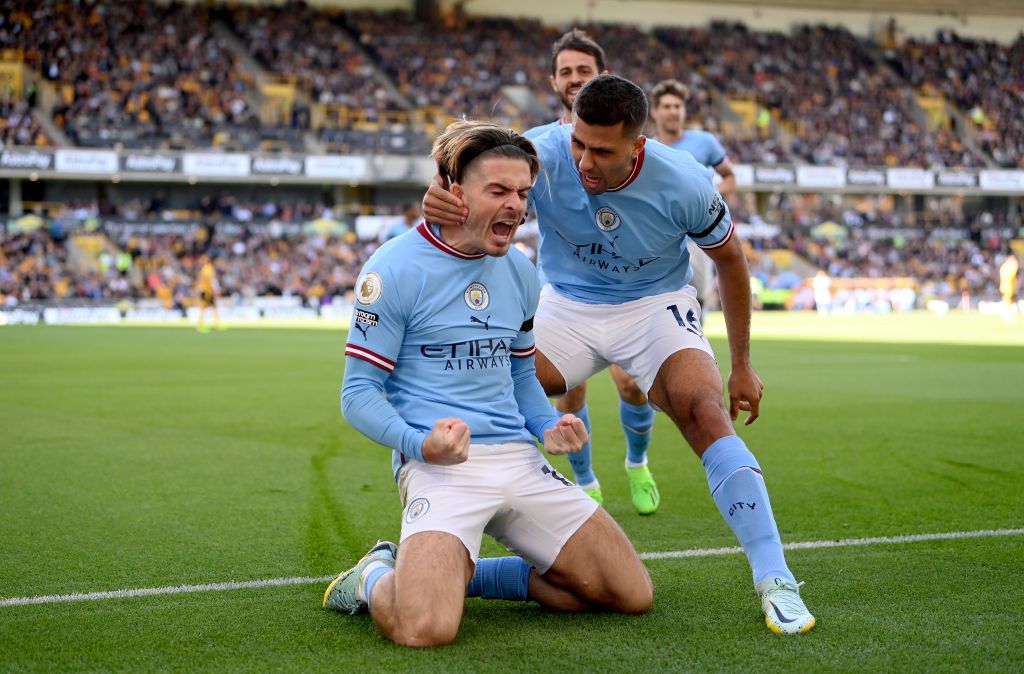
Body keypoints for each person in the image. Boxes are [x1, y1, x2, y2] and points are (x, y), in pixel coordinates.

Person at [424, 75, 816, 635]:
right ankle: (436, 552)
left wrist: (743, 365)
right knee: (486, 389)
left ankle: (775, 580)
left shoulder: (684, 180)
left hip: (654, 306)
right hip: (566, 304)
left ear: (638, 143)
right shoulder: (546, 151)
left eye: (601, 150)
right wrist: (440, 189)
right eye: (579, 142)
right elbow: (468, 160)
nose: (583, 160)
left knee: (704, 411)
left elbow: (731, 260)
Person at [325, 120, 653, 648]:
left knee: (627, 593)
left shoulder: (521, 273)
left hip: (519, 459)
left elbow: (521, 371)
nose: (515, 207)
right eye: (498, 191)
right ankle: (372, 576)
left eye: (522, 193)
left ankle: (463, 578)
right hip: (440, 465)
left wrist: (547, 424)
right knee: (424, 628)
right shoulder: (393, 268)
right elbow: (357, 393)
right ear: (454, 193)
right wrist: (419, 444)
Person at [524, 29, 663, 515]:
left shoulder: (631, 144)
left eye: (583, 70)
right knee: (569, 389)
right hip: (562, 293)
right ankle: (585, 481)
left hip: (626, 295)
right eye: (565, 72)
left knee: (633, 385)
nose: (574, 78)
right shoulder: (540, 148)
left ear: (601, 76)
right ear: (553, 82)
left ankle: (637, 462)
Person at [195, 253, 221, 332]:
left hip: (204, 290)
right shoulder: (208, 268)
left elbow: (201, 280)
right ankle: (213, 325)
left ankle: (202, 325)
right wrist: (216, 289)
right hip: (207, 291)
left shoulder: (204, 268)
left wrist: (198, 288)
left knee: (207, 307)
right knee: (211, 307)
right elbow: (211, 279)